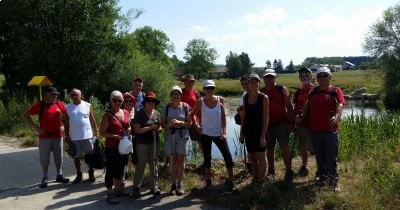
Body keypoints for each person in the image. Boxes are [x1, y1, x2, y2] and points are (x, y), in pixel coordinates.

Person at [299, 67, 345, 189]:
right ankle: (321, 177)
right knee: (319, 156)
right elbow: (306, 107)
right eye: (320, 76)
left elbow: (340, 105)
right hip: (315, 131)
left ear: (330, 77)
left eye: (325, 76)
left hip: (330, 130)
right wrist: (301, 115)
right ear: (317, 78)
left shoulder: (335, 91)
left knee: (331, 157)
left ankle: (333, 181)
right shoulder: (313, 92)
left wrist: (337, 116)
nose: (323, 78)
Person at [191, 79, 236, 191]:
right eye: (207, 88)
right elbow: (191, 114)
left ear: (214, 89)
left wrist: (224, 132)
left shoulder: (220, 100)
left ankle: (231, 180)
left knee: (227, 156)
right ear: (204, 89)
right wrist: (196, 126)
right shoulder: (200, 102)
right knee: (207, 158)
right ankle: (208, 181)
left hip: (218, 134)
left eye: (212, 88)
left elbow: (224, 118)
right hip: (205, 133)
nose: (210, 90)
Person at [23, 86, 70, 188]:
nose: (55, 96)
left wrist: (63, 126)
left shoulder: (59, 104)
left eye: (56, 94)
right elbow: (26, 115)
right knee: (45, 158)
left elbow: (66, 117)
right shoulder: (40, 105)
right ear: (46, 95)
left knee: (59, 157)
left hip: (58, 135)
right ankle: (45, 177)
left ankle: (59, 175)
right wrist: (35, 128)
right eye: (53, 94)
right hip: (45, 136)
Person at [260, 69, 295, 181]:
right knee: (269, 149)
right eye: (267, 77)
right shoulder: (261, 92)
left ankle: (289, 170)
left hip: (282, 124)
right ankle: (271, 170)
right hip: (268, 126)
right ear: (263, 79)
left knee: (284, 147)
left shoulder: (281, 89)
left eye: (271, 77)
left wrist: (291, 123)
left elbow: (289, 107)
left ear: (275, 77)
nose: (269, 79)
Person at [99, 90, 131, 204]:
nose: (117, 102)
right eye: (114, 100)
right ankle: (109, 193)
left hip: (125, 146)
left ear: (122, 101)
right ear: (111, 101)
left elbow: (128, 126)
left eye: (119, 100)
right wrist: (114, 136)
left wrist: (128, 132)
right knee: (111, 170)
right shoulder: (107, 115)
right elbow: (101, 133)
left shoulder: (126, 112)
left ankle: (119, 190)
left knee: (122, 168)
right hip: (112, 147)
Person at [161, 86, 192, 196]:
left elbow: (190, 123)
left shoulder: (186, 107)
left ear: (181, 95)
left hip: (182, 136)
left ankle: (180, 184)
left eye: (178, 93)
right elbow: (162, 124)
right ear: (171, 96)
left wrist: (180, 123)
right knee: (172, 161)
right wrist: (169, 124)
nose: (176, 95)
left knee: (181, 161)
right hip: (170, 135)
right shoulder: (166, 107)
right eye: (174, 93)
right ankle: (173, 185)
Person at [131, 92, 162, 198]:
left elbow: (160, 127)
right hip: (142, 144)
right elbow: (137, 129)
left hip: (154, 143)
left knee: (154, 165)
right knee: (141, 166)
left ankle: (154, 186)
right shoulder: (139, 113)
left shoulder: (157, 114)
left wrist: (158, 130)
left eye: (153, 101)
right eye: (148, 101)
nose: (151, 103)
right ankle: (136, 187)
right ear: (145, 103)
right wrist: (150, 128)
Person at [64, 88, 98, 184]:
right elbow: (66, 123)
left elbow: (92, 119)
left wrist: (96, 133)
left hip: (87, 135)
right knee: (76, 156)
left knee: (90, 155)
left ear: (80, 95)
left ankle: (91, 172)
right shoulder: (67, 108)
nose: (74, 96)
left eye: (76, 94)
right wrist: (67, 136)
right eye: (72, 95)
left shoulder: (87, 105)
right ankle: (79, 174)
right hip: (74, 137)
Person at [240, 74, 269, 184]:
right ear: (248, 84)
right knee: (252, 156)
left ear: (259, 83)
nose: (253, 84)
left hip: (259, 131)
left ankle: (261, 180)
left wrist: (263, 137)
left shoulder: (264, 98)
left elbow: (266, 119)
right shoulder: (245, 97)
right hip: (248, 131)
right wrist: (242, 133)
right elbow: (244, 117)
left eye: (255, 82)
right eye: (251, 82)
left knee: (261, 156)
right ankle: (255, 177)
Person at [292, 68, 314, 177]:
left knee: (315, 147)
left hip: (314, 124)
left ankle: (322, 169)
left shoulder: (316, 90)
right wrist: (294, 121)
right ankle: (305, 166)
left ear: (311, 76)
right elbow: (295, 107)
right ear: (299, 77)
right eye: (302, 75)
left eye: (306, 74)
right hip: (301, 124)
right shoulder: (297, 92)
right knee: (302, 147)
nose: (304, 76)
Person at [119, 92, 136, 194]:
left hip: (136, 140)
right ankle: (121, 183)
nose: (128, 102)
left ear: (133, 102)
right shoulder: (121, 112)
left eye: (130, 100)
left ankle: (136, 182)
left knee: (136, 161)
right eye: (126, 101)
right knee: (123, 162)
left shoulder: (137, 111)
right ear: (123, 102)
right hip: (125, 141)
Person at [181, 74, 202, 151]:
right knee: (180, 141)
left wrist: (200, 120)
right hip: (182, 120)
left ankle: (206, 159)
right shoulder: (180, 92)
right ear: (184, 82)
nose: (189, 83)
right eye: (187, 81)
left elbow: (200, 108)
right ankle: (175, 160)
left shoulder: (196, 93)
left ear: (193, 83)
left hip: (194, 121)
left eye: (191, 82)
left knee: (200, 139)